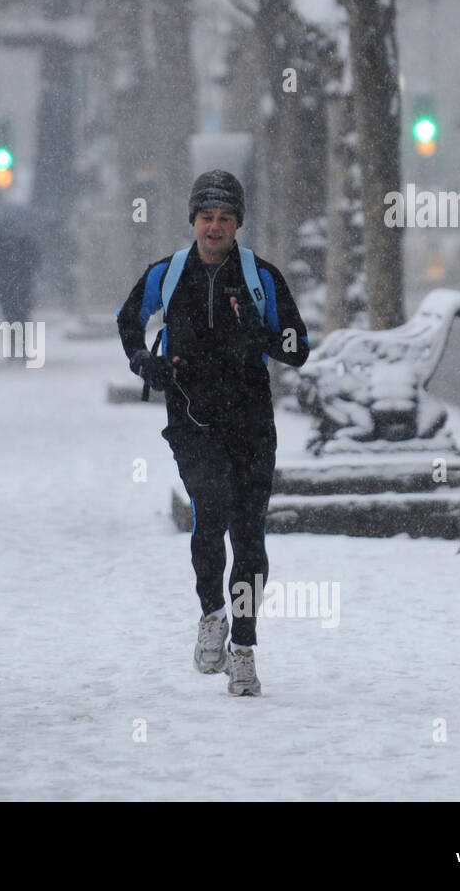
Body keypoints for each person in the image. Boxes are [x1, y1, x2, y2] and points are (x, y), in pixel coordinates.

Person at [117, 170, 309, 695]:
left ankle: (244, 648)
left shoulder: (260, 278)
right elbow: (128, 319)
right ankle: (212, 615)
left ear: (237, 223)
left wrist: (260, 331)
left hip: (251, 424)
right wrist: (143, 363)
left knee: (249, 537)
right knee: (211, 512)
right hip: (193, 421)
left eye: (225, 218)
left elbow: (297, 346)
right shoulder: (169, 273)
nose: (215, 227)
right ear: (194, 221)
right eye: (207, 217)